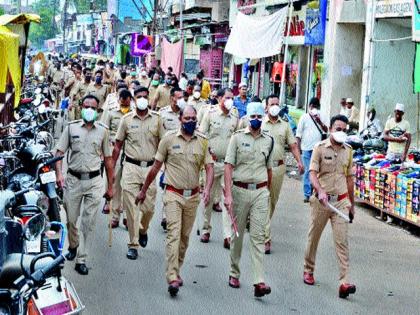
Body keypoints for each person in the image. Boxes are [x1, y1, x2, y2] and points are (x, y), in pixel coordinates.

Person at [135, 105, 214, 297]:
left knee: (185, 237)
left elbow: (209, 167)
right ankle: (171, 276)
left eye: (193, 118)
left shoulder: (203, 141)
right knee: (173, 234)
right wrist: (144, 190)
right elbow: (155, 167)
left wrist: (208, 190)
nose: (190, 122)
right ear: (180, 120)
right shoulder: (169, 139)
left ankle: (176, 268)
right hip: (172, 194)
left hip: (193, 196)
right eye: (187, 119)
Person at [55, 95, 113, 275]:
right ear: (81, 107)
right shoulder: (71, 128)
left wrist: (110, 187)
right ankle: (73, 245)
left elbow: (109, 160)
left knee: (88, 222)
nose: (89, 110)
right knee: (72, 219)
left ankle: (82, 258)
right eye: (86, 106)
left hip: (94, 181)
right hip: (73, 180)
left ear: (98, 111)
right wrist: (59, 174)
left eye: (93, 108)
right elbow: (59, 153)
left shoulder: (103, 131)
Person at [303, 114, 356, 299]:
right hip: (322, 201)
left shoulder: (348, 151)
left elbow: (350, 179)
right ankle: (308, 269)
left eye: (344, 129)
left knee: (342, 242)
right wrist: (320, 190)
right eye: (338, 128)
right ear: (330, 129)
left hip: (341, 202)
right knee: (314, 237)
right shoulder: (319, 148)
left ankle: (344, 281)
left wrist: (352, 205)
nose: (341, 132)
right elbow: (312, 173)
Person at [224, 102, 274, 298]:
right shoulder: (237, 138)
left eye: (259, 117)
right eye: (252, 116)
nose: (256, 120)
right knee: (237, 235)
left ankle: (259, 281)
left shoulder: (269, 141)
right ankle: (234, 272)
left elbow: (269, 169)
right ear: (247, 118)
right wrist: (228, 194)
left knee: (258, 235)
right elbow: (228, 166)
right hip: (240, 190)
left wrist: (267, 192)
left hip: (260, 191)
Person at [112, 91, 164, 260]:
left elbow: (164, 145)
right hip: (131, 167)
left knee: (148, 208)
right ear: (135, 100)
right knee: (132, 208)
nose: (142, 99)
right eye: (138, 96)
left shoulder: (157, 119)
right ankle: (133, 244)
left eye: (144, 96)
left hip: (150, 168)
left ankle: (143, 230)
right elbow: (118, 144)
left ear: (149, 98)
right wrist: (111, 167)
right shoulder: (126, 120)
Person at [262, 95, 304, 254]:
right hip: (261, 168)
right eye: (271, 104)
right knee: (263, 200)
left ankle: (259, 224)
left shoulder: (285, 126)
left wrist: (299, 161)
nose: (274, 106)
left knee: (272, 201)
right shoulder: (259, 123)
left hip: (278, 169)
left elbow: (293, 145)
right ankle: (266, 237)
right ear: (266, 107)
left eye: (276, 104)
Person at [199, 88, 238, 248]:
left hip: (228, 164)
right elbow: (201, 136)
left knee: (227, 199)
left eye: (232, 98)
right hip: (211, 163)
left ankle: (227, 235)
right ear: (220, 98)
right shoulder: (210, 114)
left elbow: (237, 138)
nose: (230, 100)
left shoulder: (235, 116)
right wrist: (207, 154)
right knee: (208, 197)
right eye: (227, 97)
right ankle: (205, 229)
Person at [101, 89, 133, 228]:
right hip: (114, 150)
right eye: (122, 101)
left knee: (129, 185)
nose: (124, 104)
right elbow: (103, 130)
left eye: (127, 102)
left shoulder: (134, 113)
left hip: (130, 152)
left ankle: (126, 215)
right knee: (115, 182)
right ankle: (114, 216)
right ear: (119, 99)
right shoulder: (111, 112)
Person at [158, 88, 186, 231]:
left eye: (183, 97)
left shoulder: (187, 113)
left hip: (183, 155)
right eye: (178, 97)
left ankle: (175, 214)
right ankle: (165, 216)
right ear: (171, 98)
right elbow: (158, 134)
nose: (181, 99)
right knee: (167, 185)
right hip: (167, 155)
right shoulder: (162, 114)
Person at [296, 97, 328, 203]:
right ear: (309, 106)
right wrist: (298, 148)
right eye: (312, 106)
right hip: (306, 148)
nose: (313, 108)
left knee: (316, 171)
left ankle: (316, 192)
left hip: (318, 149)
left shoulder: (321, 116)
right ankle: (307, 194)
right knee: (307, 172)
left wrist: (319, 120)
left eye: (315, 107)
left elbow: (326, 130)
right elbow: (298, 134)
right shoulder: (304, 117)